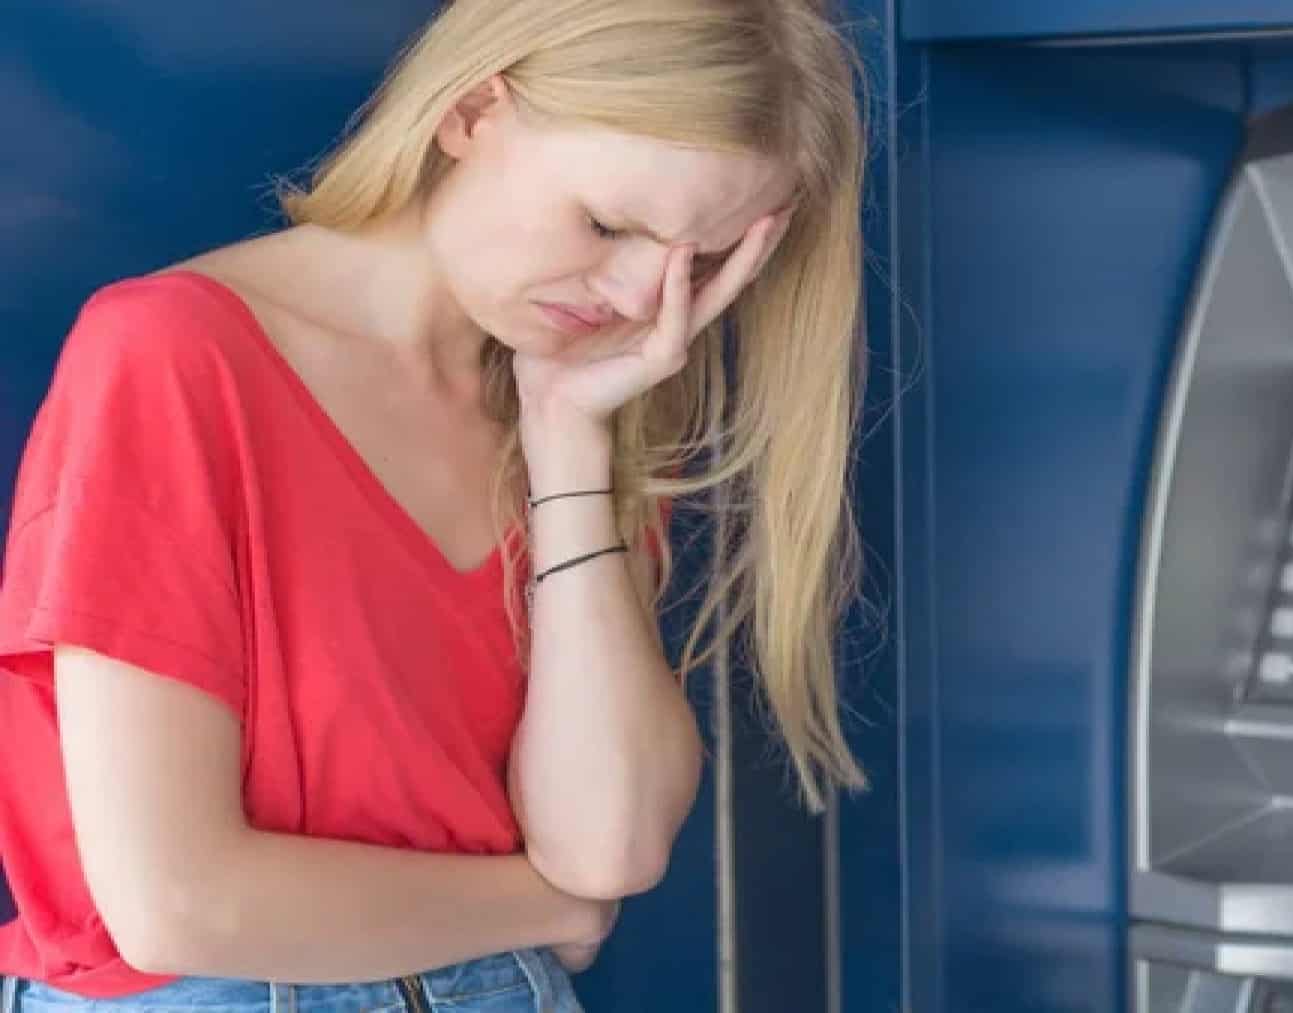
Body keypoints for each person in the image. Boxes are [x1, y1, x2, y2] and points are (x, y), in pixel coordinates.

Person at [0, 0, 868, 1008]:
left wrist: (567, 445)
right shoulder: (171, 357)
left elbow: (608, 845)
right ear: (470, 113)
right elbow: (177, 903)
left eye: (699, 263)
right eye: (607, 224)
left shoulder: (581, 406)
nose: (640, 300)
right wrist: (545, 906)